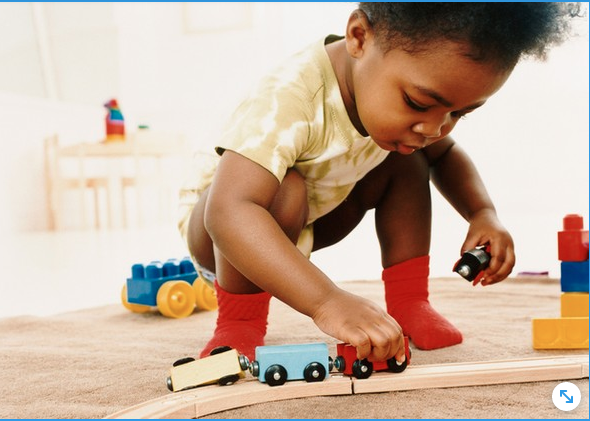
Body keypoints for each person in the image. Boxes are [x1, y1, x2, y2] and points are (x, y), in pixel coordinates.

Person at [177, 3, 582, 362]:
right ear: (359, 37)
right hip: (226, 238)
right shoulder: (289, 97)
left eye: (459, 113)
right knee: (286, 188)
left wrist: (482, 212)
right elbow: (230, 211)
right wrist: (327, 302)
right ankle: (239, 322)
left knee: (407, 158)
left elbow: (445, 155)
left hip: (308, 222)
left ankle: (410, 302)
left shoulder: (411, 118)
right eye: (420, 103)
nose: (435, 126)